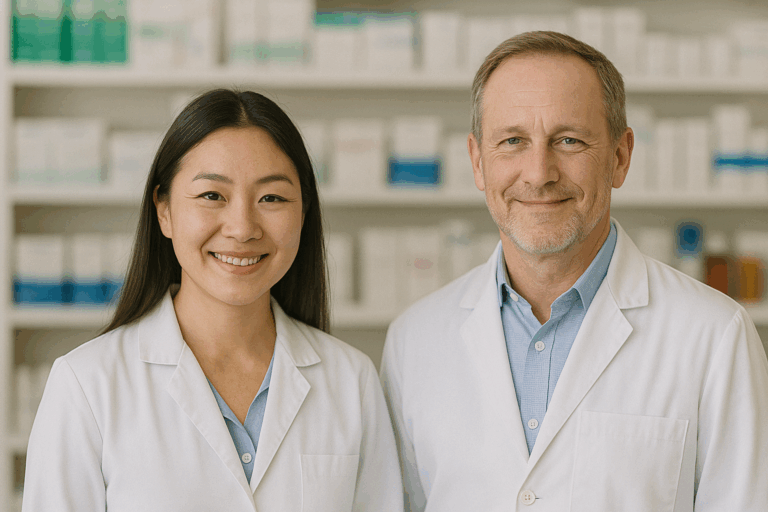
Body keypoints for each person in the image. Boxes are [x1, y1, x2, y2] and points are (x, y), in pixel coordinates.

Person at [380, 31, 768, 512]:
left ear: (620, 158)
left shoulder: (714, 336)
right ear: (478, 162)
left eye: (569, 140)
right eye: (512, 141)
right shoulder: (414, 340)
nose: (539, 172)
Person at [22, 89, 403, 512]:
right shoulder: (87, 385)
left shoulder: (351, 381)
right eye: (211, 196)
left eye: (271, 198)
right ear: (164, 211)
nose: (242, 228)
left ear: (304, 213)